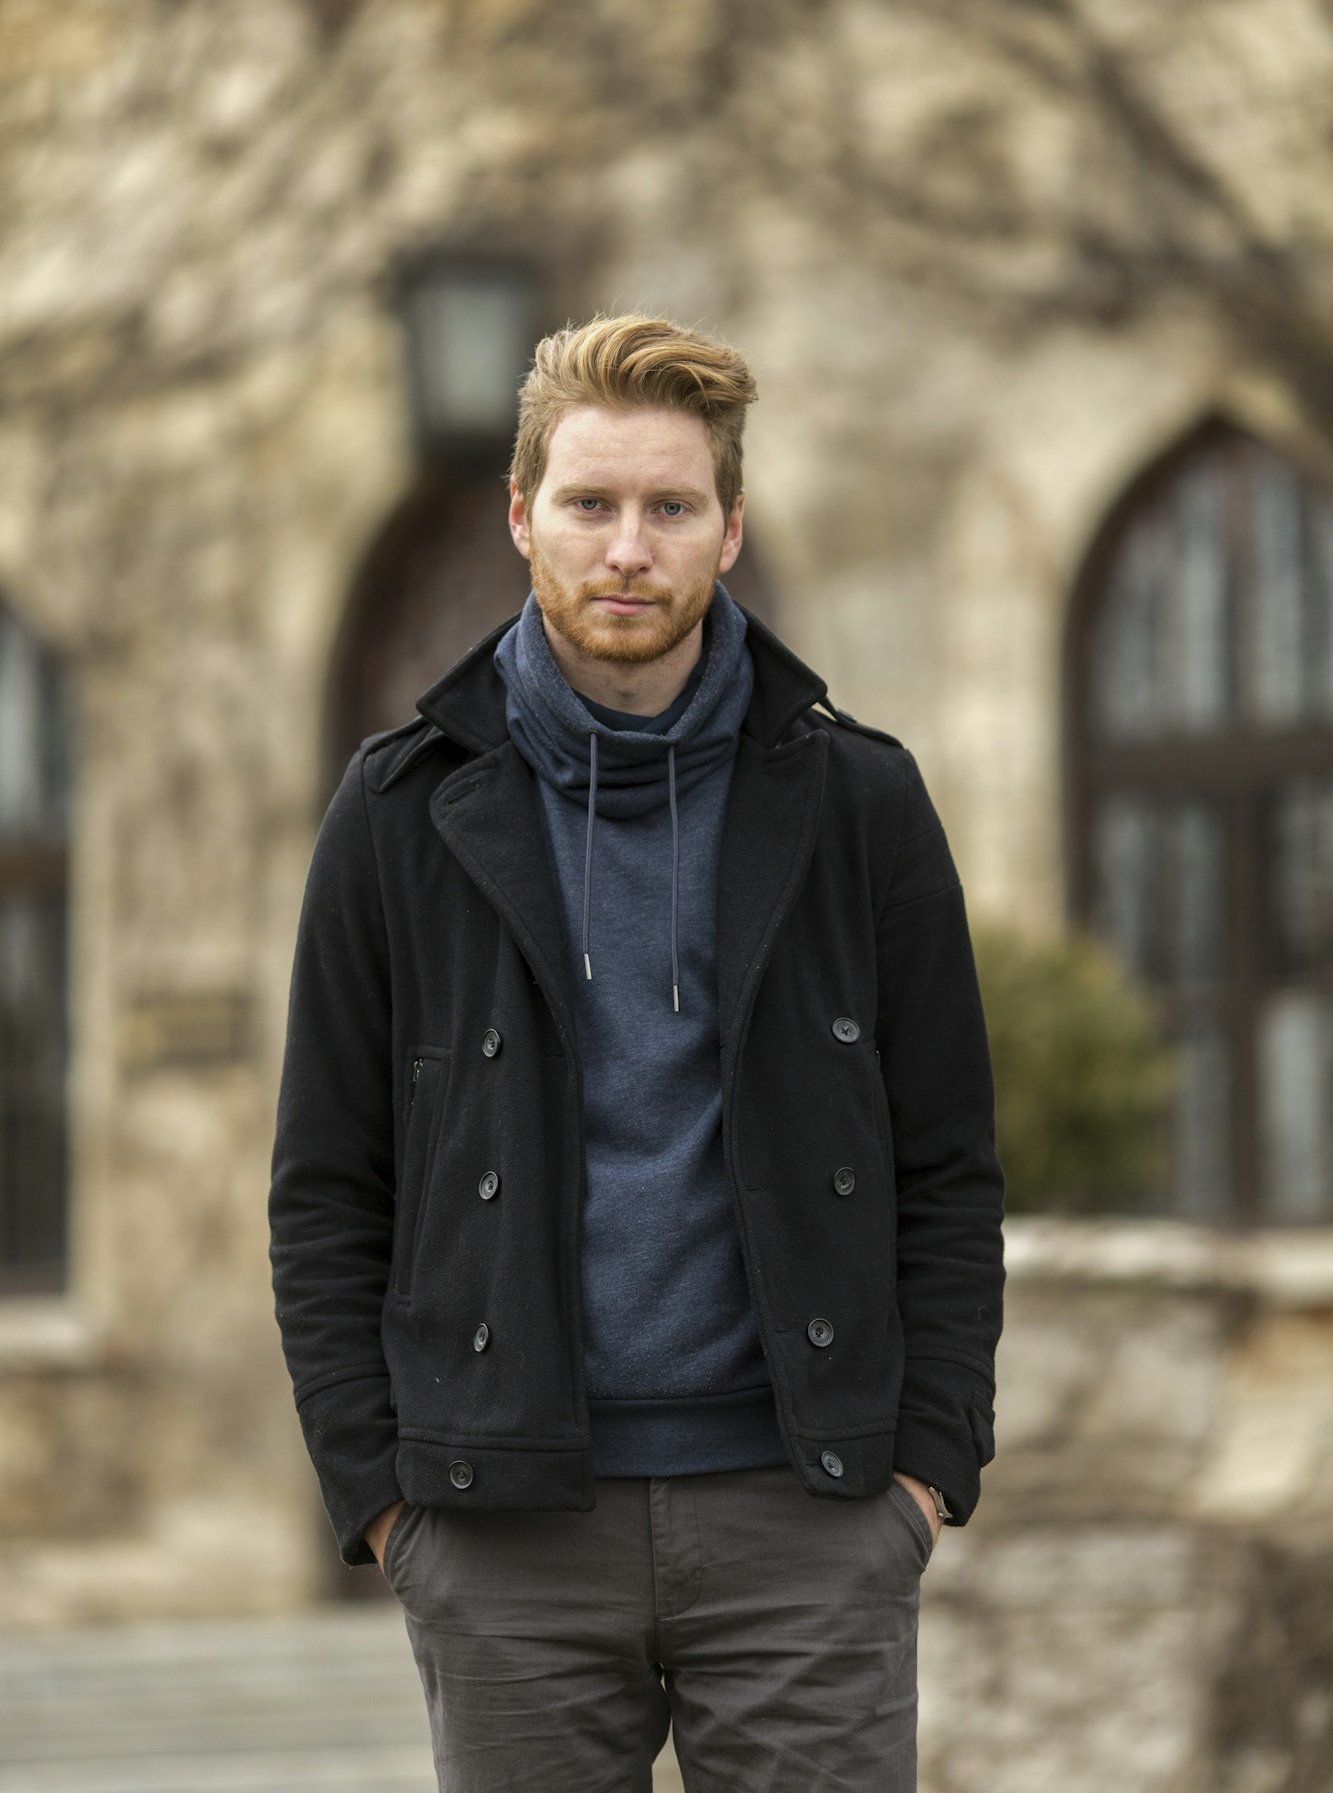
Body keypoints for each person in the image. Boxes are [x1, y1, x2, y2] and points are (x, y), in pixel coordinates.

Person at [269, 313, 1004, 1793]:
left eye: (669, 508)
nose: (626, 547)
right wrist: (383, 1505)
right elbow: (326, 1186)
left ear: (728, 532)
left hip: (804, 1511)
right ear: (521, 515)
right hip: (505, 1528)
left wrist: (922, 1472)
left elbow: (946, 1168)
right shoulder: (401, 811)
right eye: (590, 504)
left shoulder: (858, 803)